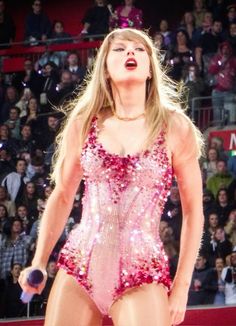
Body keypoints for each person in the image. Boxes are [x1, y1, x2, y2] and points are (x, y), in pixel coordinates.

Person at [19, 28, 204, 326]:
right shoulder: (84, 122)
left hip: (142, 272)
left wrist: (181, 285)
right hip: (80, 265)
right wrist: (39, 261)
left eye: (138, 49)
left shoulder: (175, 127)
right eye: (119, 49)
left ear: (150, 69)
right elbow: (63, 195)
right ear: (105, 68)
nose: (130, 52)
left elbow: (194, 210)